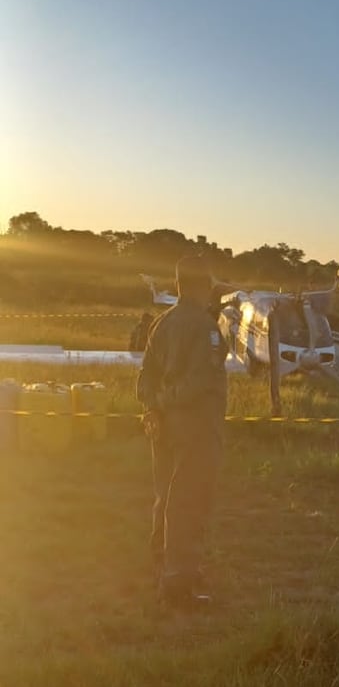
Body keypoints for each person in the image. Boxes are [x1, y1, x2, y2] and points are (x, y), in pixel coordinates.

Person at [136, 255, 229, 609]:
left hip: (164, 427)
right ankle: (178, 582)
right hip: (196, 428)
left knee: (165, 495)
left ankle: (163, 564)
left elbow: (145, 378)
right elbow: (200, 381)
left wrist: (155, 407)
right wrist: (167, 401)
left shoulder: (161, 324)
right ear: (200, 287)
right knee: (189, 501)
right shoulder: (205, 327)